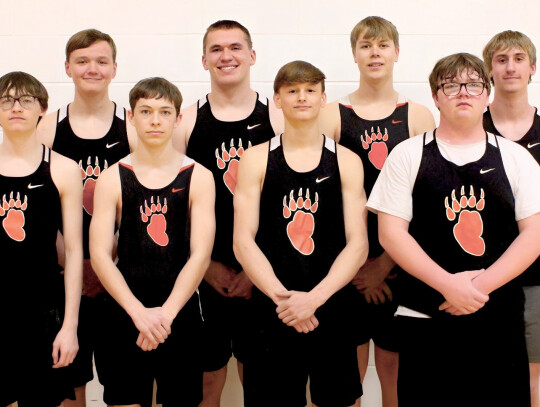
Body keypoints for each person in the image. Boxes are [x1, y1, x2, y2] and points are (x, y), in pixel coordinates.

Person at [367, 52, 540, 407]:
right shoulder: (407, 154)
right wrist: (448, 285)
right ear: (435, 97)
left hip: (497, 314)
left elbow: (534, 234)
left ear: (487, 95)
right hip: (426, 314)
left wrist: (477, 288)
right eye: (450, 85)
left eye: (473, 85)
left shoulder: (515, 157)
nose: (463, 92)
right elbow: (391, 234)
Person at [233, 60, 368, 407]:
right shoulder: (255, 159)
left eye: (310, 90)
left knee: (339, 401)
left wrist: (314, 299)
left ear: (323, 98)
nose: (302, 97)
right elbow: (242, 240)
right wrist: (285, 300)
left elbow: (358, 243)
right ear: (277, 99)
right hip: (273, 306)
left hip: (331, 304)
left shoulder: (347, 161)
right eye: (292, 91)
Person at [318, 16, 435, 406]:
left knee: (396, 377)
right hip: (347, 264)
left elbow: (426, 202)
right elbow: (323, 203)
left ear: (396, 53)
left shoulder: (417, 116)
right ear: (354, 54)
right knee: (348, 376)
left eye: (382, 45)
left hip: (399, 264)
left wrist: (384, 263)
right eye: (366, 45)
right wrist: (357, 266)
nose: (374, 53)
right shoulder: (333, 115)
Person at [173, 19, 283, 406]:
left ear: (252, 56)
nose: (226, 56)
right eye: (216, 49)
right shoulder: (184, 122)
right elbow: (173, 206)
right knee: (206, 380)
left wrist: (257, 272)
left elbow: (283, 205)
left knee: (261, 381)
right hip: (203, 272)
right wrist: (204, 266)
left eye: (235, 47)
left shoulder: (278, 117)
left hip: (264, 271)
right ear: (204, 60)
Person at [90, 77, 215, 407]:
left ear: (178, 119)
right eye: (145, 111)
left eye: (164, 111)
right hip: (125, 311)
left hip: (180, 312)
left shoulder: (199, 176)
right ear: (131, 117)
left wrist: (165, 316)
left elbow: (201, 254)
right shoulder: (112, 177)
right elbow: (100, 255)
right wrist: (139, 314)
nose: (155, 120)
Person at [36, 28, 136, 407]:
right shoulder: (47, 127)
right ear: (67, 68)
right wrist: (69, 258)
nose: (91, 68)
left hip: (121, 277)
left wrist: (110, 259)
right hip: (66, 278)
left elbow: (147, 200)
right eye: (82, 61)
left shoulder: (133, 126)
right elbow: (41, 206)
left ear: (114, 68)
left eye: (100, 61)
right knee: (68, 387)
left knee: (125, 390)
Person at [0, 71, 83, 406]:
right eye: (6, 100)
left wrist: (70, 326)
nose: (15, 106)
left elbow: (75, 251)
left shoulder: (63, 169)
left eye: (25, 99)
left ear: (42, 109)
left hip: (43, 309)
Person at [482, 30, 540, 407]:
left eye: (519, 58)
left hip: (537, 278)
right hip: (480, 277)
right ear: (489, 70)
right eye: (501, 59)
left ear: (532, 68)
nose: (510, 66)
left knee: (532, 376)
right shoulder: (469, 127)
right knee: (484, 374)